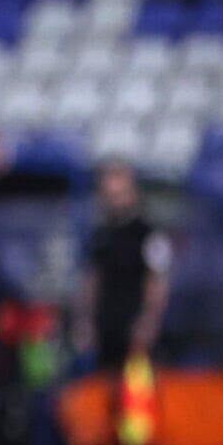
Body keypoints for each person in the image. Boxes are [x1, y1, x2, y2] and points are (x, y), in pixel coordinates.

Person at [79, 161, 170, 380]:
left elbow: (158, 280)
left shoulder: (147, 233)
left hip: (135, 330)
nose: (113, 201)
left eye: (118, 194)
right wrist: (85, 319)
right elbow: (92, 279)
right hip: (106, 330)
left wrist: (149, 321)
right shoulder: (101, 234)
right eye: (108, 195)